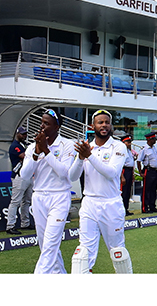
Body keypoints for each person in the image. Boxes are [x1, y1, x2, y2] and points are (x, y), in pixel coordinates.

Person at [69, 109, 132, 273]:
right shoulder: (87, 148)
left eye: (107, 122)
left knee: (118, 253)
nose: (104, 125)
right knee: (82, 255)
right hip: (89, 203)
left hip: (111, 204)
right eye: (100, 122)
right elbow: (72, 176)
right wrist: (81, 158)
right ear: (92, 125)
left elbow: (111, 173)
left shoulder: (118, 146)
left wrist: (89, 156)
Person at [20, 109, 75, 273]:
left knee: (50, 243)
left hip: (59, 197)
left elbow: (64, 172)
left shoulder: (67, 145)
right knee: (45, 244)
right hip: (39, 198)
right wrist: (37, 151)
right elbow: (25, 175)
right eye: (41, 122)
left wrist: (47, 151)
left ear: (57, 126)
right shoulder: (32, 147)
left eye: (46, 123)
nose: (42, 126)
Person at [6, 126, 33, 234]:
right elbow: (25, 156)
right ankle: (10, 226)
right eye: (22, 134)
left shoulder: (23, 145)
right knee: (15, 201)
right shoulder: (14, 146)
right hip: (19, 176)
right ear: (17, 134)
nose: (24, 136)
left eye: (25, 133)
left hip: (28, 175)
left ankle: (25, 223)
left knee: (26, 201)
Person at [137, 131, 157, 213]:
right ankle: (145, 208)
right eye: (154, 139)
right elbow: (138, 160)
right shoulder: (144, 149)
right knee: (146, 190)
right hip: (148, 170)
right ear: (149, 139)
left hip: (154, 171)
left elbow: (156, 160)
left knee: (153, 190)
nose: (155, 141)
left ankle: (152, 206)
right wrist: (140, 172)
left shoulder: (154, 148)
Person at [120, 135, 135, 216]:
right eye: (128, 142)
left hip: (129, 171)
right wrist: (122, 176)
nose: (129, 144)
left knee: (128, 191)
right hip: (124, 171)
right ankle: (122, 210)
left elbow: (131, 163)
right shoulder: (122, 151)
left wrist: (132, 174)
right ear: (123, 143)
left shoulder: (129, 151)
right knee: (123, 191)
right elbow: (120, 165)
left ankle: (126, 208)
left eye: (130, 142)